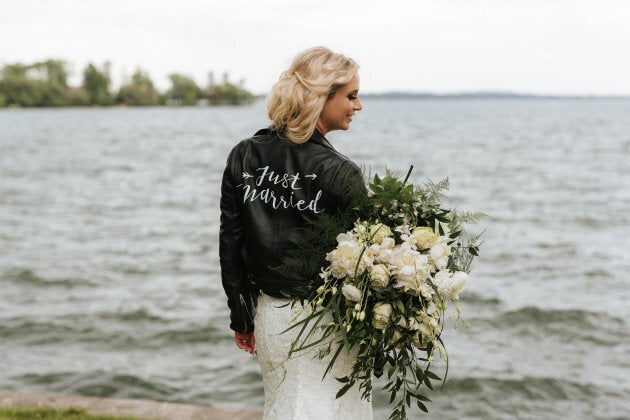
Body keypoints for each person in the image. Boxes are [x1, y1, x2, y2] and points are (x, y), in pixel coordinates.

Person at [219, 46, 372, 419]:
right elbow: (365, 258)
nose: (359, 105)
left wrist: (242, 316)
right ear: (321, 97)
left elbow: (231, 244)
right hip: (327, 325)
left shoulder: (244, 154)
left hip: (270, 316)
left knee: (289, 407)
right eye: (351, 96)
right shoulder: (341, 172)